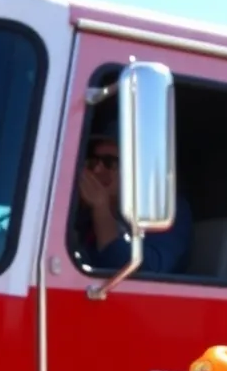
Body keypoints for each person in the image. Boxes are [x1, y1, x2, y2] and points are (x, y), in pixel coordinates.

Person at [75, 117, 193, 275]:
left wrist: (101, 211)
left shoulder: (166, 209)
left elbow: (148, 271)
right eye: (94, 161)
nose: (97, 170)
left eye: (109, 162)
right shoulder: (86, 213)